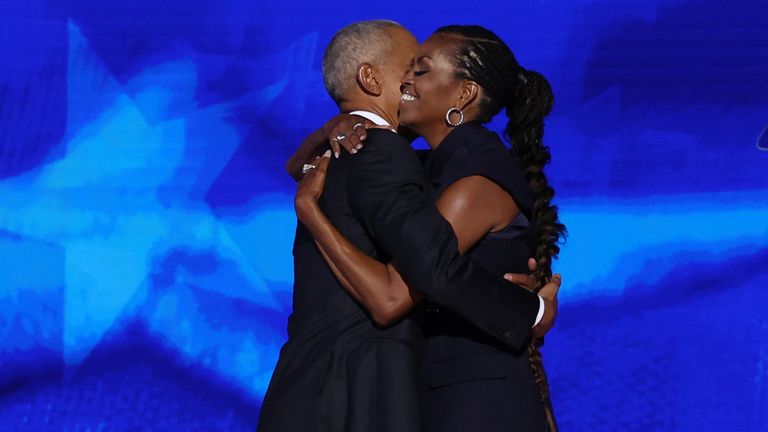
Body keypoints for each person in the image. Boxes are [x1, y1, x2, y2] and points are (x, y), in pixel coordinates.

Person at [258, 20, 559, 432]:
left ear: (464, 93)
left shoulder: (474, 176)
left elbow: (399, 292)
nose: (407, 82)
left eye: (421, 70)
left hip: (476, 401)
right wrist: (332, 126)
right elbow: (305, 169)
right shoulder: (422, 168)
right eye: (409, 69)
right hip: (429, 392)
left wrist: (533, 310)